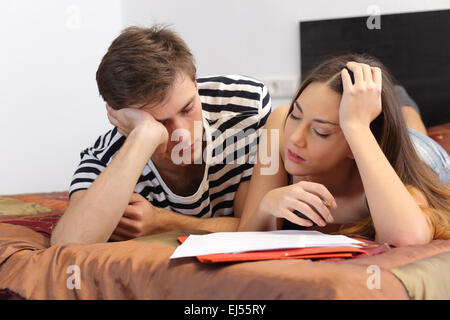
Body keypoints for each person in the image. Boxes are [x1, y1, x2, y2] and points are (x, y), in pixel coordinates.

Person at [50, 25, 271, 245]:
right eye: (159, 122)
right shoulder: (106, 158)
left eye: (187, 109)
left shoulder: (245, 105)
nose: (182, 134)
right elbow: (68, 246)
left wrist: (161, 222)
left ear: (195, 84)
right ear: (121, 118)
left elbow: (256, 227)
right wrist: (144, 136)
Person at [238, 54, 450, 247]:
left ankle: (399, 99)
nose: (294, 138)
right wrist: (267, 205)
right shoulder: (279, 125)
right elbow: (246, 232)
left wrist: (356, 126)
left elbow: (408, 237)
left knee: (411, 131)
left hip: (422, 151)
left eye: (321, 132)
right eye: (296, 115)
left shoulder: (399, 179)